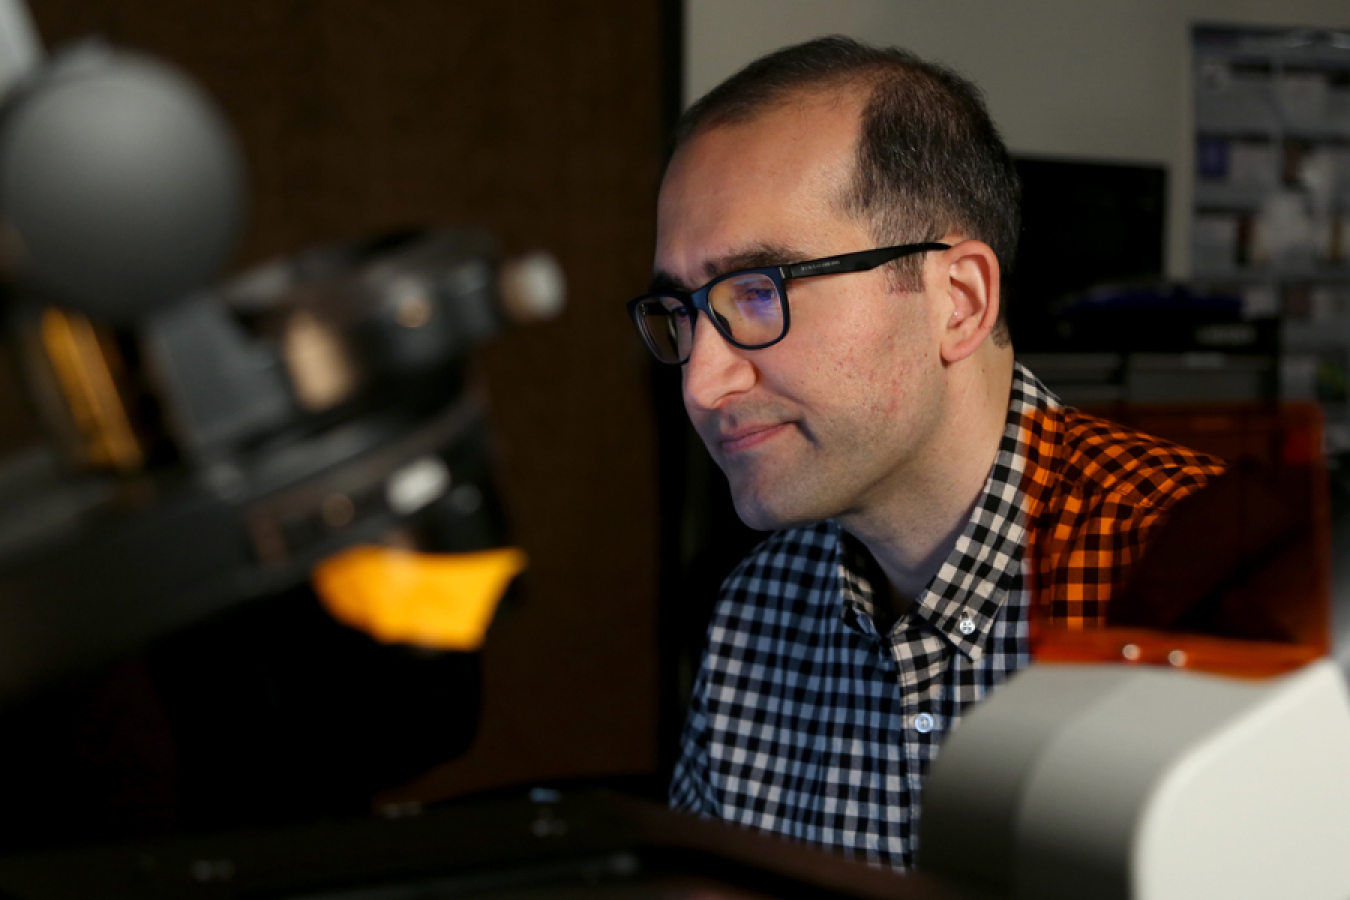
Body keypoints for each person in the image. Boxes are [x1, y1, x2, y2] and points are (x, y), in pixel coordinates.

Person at [626, 36, 1224, 870]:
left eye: (759, 293)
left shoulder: (1207, 591)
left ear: (959, 301)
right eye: (682, 314)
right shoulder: (757, 610)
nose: (701, 382)